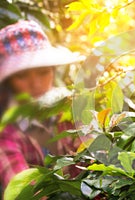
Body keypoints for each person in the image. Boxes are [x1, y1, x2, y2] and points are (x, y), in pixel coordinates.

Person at [0, 20, 83, 196]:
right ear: (8, 82)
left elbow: (98, 170)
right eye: (22, 75)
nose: (36, 84)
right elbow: (27, 193)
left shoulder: (71, 111)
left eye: (44, 72)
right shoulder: (5, 132)